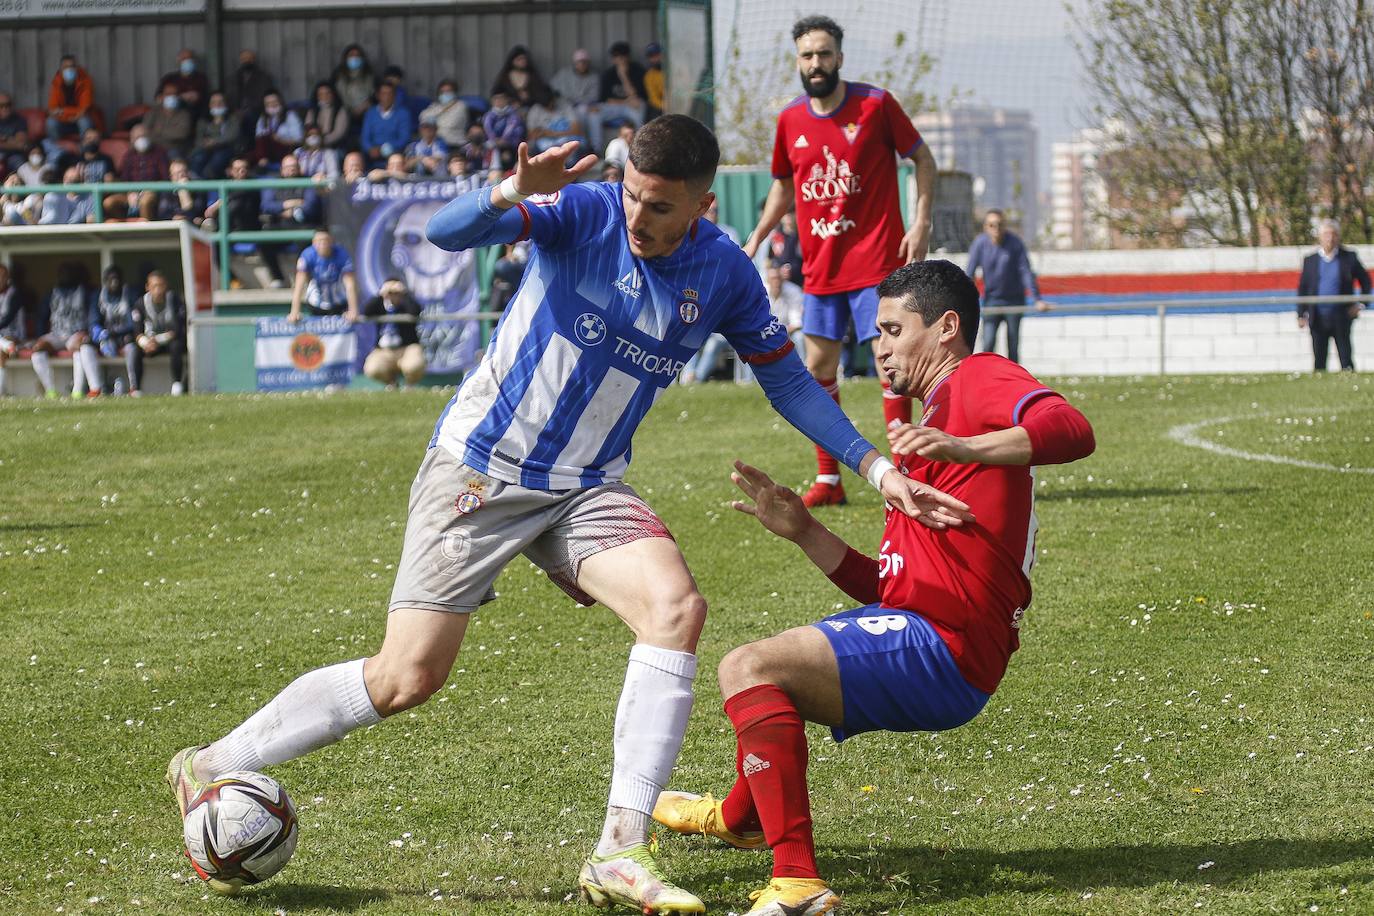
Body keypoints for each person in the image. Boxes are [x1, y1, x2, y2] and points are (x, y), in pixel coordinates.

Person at [164, 116, 968, 913]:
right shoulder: (582, 211)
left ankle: (619, 850)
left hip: (586, 485)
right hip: (481, 471)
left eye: (659, 207)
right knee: (407, 677)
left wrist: (873, 465)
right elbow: (448, 233)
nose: (638, 219)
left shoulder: (724, 271)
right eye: (632, 196)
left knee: (676, 607)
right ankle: (214, 761)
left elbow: (787, 379)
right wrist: (513, 190)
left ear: (703, 203)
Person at [652, 260, 1096, 916]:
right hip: (932, 632)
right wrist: (805, 532)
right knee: (770, 677)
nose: (879, 346)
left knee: (748, 667)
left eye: (892, 329)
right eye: (876, 333)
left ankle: (798, 883)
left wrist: (964, 450)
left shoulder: (975, 378)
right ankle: (745, 818)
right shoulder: (934, 415)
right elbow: (887, 585)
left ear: (947, 328)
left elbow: (1073, 430)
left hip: (947, 646)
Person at [743, 15, 938, 509]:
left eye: (824, 54)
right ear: (798, 61)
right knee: (818, 368)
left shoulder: (875, 104)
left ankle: (909, 468)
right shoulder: (790, 120)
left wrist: (920, 223)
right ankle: (829, 479)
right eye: (808, 55)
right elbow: (784, 187)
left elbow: (924, 159)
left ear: (840, 58)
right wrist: (758, 236)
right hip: (822, 271)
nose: (816, 63)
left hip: (877, 265)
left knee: (891, 366)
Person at [965, 209, 1048, 364]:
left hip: (1014, 300)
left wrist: (1037, 299)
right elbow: (970, 273)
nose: (996, 229)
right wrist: (962, 299)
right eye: (992, 225)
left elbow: (1025, 271)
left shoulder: (1015, 243)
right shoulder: (980, 244)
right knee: (988, 343)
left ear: (1005, 226)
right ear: (985, 227)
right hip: (992, 300)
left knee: (1013, 345)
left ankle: (1014, 384)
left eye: (1000, 224)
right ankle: (985, 379)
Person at [1297, 218, 1369, 372]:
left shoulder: (1349, 258)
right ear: (1320, 237)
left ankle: (1349, 381)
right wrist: (1301, 313)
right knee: (1319, 359)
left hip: (1341, 315)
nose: (1330, 238)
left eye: (1333, 234)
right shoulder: (1310, 260)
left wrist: (1361, 304)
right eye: (1326, 234)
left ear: (1338, 236)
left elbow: (1366, 281)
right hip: (1317, 316)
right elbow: (1303, 288)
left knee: (1345, 357)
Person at [33, 262, 100, 399]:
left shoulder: (86, 292)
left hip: (76, 333)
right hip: (56, 334)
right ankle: (50, 391)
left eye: (68, 273)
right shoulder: (51, 293)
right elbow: (41, 317)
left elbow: (93, 314)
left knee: (80, 347)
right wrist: (39, 335)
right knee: (37, 348)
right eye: (62, 273)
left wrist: (90, 332)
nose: (65, 276)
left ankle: (77, 390)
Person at [361, 277, 426, 386]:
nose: (393, 295)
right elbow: (366, 311)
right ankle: (391, 383)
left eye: (396, 293)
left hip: (407, 348)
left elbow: (415, 311)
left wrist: (404, 294)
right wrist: (381, 294)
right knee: (372, 368)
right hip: (384, 350)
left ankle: (409, 385)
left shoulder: (406, 304)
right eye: (390, 292)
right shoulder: (380, 304)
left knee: (414, 365)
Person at [131, 270, 188, 395]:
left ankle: (177, 385)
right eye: (154, 286)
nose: (158, 290)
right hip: (150, 344)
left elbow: (177, 330)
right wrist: (146, 343)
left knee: (176, 346)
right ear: (148, 287)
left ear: (165, 286)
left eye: (161, 285)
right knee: (134, 350)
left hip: (167, 342)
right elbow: (136, 332)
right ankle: (137, 389)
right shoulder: (140, 304)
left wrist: (157, 340)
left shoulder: (174, 300)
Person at [288, 227, 359, 322]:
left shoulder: (342, 255)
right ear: (313, 242)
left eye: (326, 240)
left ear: (332, 241)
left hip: (339, 303)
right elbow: (299, 285)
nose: (322, 244)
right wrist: (294, 312)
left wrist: (353, 310)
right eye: (319, 241)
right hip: (316, 303)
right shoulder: (307, 255)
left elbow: (350, 284)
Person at [91, 265, 141, 394]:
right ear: (105, 281)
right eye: (110, 279)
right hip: (107, 336)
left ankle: (133, 387)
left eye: (116, 279)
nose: (114, 283)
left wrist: (116, 332)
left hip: (125, 335)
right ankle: (103, 386)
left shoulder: (130, 294)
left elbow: (134, 322)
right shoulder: (98, 296)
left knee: (132, 346)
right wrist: (101, 333)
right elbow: (93, 321)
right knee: (94, 346)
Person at [551, 50, 602, 149]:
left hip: (586, 107)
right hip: (565, 107)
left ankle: (594, 148)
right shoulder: (564, 74)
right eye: (579, 62)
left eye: (584, 62)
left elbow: (594, 97)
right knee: (580, 111)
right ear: (575, 63)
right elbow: (552, 89)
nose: (582, 65)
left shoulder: (594, 76)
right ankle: (582, 146)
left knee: (592, 115)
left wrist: (579, 101)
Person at [118, 125, 170, 220]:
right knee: (109, 203)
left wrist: (150, 189)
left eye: (143, 136)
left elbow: (165, 177)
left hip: (153, 191)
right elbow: (124, 178)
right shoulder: (128, 156)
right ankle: (125, 226)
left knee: (144, 202)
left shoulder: (159, 152)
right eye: (137, 137)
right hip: (132, 193)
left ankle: (146, 231)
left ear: (149, 137)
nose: (141, 139)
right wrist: (129, 192)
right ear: (132, 140)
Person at [597, 41, 647, 140]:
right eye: (616, 56)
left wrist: (623, 75)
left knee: (640, 107)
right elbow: (605, 99)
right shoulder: (608, 74)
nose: (620, 59)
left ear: (628, 56)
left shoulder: (638, 70)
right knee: (593, 115)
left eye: (622, 55)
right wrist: (626, 101)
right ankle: (595, 148)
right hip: (616, 106)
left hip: (632, 107)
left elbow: (638, 97)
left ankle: (639, 141)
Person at [46, 54, 96, 143]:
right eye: (66, 67)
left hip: (80, 120)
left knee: (84, 121)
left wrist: (62, 111)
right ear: (61, 70)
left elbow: (84, 110)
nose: (69, 70)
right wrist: (71, 114)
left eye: (72, 66)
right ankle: (58, 152)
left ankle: (84, 151)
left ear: (76, 68)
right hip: (63, 123)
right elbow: (52, 109)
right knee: (51, 123)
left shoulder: (85, 82)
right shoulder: (56, 83)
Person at [361, 83, 413, 168]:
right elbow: (365, 137)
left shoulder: (403, 113)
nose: (386, 97)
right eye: (383, 93)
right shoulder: (370, 113)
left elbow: (404, 138)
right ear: (378, 95)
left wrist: (384, 149)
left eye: (390, 93)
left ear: (394, 96)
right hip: (372, 155)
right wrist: (370, 149)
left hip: (395, 153)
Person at [191, 92, 240, 179]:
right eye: (214, 102)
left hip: (227, 149)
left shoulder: (233, 119)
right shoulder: (203, 121)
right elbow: (198, 140)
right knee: (198, 158)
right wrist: (205, 144)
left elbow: (232, 136)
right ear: (209, 105)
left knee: (216, 161)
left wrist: (214, 142)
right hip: (206, 149)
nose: (217, 105)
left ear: (226, 104)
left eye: (220, 102)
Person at [143, 81, 195, 159]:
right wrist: (169, 132)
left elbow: (182, 133)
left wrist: (158, 130)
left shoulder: (184, 114)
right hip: (154, 147)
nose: (171, 97)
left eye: (174, 94)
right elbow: (145, 130)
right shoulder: (153, 112)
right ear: (162, 96)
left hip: (174, 149)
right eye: (168, 94)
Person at [0, 263, 31, 396]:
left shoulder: (15, 294)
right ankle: (7, 346)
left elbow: (7, 318)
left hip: (15, 335)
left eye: (2, 276)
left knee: (1, 351)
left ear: (7, 277)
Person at [525, 90, 586, 155]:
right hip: (547, 145)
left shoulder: (564, 105)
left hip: (567, 140)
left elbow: (576, 130)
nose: (549, 108)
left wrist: (552, 133)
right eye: (546, 107)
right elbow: (531, 135)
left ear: (554, 99)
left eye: (551, 104)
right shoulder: (535, 110)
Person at [253, 91, 304, 168]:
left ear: (281, 102)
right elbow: (258, 137)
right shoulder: (263, 118)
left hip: (286, 148)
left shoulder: (290, 116)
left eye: (274, 102)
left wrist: (281, 140)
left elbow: (299, 139)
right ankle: (262, 164)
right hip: (268, 151)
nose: (272, 105)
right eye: (268, 103)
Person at [332, 44, 378, 124]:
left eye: (357, 55)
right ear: (345, 58)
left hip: (366, 111)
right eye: (351, 55)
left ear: (362, 58)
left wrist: (365, 105)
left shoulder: (370, 75)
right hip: (344, 112)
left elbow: (376, 94)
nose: (354, 58)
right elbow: (333, 94)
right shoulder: (337, 75)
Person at [481, 90, 524, 170]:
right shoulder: (488, 116)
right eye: (496, 99)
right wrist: (494, 140)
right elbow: (487, 131)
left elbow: (517, 131)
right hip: (492, 145)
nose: (499, 101)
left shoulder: (514, 115)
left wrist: (505, 141)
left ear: (507, 100)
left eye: (501, 99)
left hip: (510, 146)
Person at [160, 49, 210, 118]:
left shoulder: (201, 78)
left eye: (189, 58)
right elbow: (158, 98)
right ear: (178, 61)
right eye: (184, 59)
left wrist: (198, 96)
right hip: (174, 114)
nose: (187, 61)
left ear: (194, 61)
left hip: (198, 114)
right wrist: (179, 97)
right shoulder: (169, 79)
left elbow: (209, 98)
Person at [228, 50, 273, 124]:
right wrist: (235, 110)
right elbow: (230, 95)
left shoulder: (264, 76)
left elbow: (265, 95)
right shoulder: (234, 77)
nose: (247, 61)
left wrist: (249, 110)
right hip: (236, 111)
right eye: (244, 58)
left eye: (249, 58)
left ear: (254, 59)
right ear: (241, 60)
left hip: (256, 111)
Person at [304, 81, 351, 151]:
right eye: (321, 94)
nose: (324, 97)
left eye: (327, 93)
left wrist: (320, 142)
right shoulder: (312, 111)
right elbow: (307, 128)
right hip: (313, 145)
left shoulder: (341, 111)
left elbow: (338, 134)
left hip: (334, 147)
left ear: (333, 94)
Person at [419, 80, 468, 147]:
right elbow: (422, 117)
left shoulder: (461, 106)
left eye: (448, 91)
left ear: (454, 92)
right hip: (435, 143)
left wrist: (432, 122)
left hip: (454, 143)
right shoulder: (436, 105)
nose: (445, 94)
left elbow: (450, 124)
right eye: (442, 92)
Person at [0, 93, 31, 172]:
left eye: (8, 105)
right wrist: (11, 141)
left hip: (14, 155)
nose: (5, 108)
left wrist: (4, 139)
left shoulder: (19, 120)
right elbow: (17, 144)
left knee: (23, 168)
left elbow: (21, 144)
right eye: (1, 105)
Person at [643, 43, 665, 120]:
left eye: (657, 55)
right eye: (652, 56)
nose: (655, 58)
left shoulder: (673, 70)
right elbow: (653, 98)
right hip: (661, 105)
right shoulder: (649, 76)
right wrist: (664, 105)